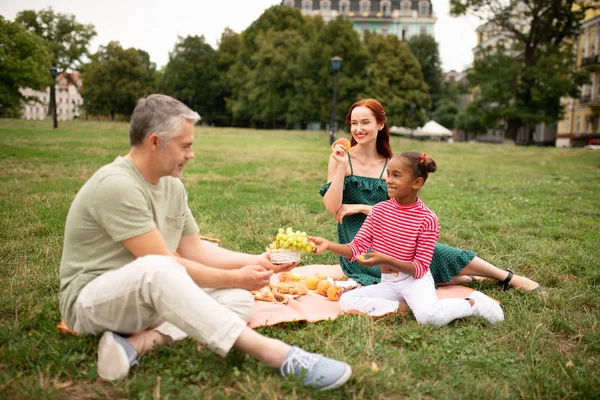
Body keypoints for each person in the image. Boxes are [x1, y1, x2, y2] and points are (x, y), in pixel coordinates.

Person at [59, 94, 352, 390]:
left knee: (238, 299)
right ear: (155, 142)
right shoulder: (117, 185)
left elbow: (195, 250)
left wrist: (256, 262)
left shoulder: (172, 186)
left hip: (145, 299)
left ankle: (137, 345)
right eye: (185, 145)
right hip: (93, 302)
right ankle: (278, 355)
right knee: (163, 269)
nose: (192, 154)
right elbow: (164, 263)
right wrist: (234, 277)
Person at [320, 98, 544, 293]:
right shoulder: (342, 159)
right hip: (359, 242)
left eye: (365, 122)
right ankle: (474, 278)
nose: (358, 129)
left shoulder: (392, 163)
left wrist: (361, 206)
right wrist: (340, 167)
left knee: (428, 254)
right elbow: (332, 207)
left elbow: (402, 209)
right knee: (398, 266)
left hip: (394, 230)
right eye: (354, 123)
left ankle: (507, 277)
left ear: (380, 123)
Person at [310, 152, 504, 324]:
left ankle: (473, 304)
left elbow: (419, 268)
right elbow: (355, 248)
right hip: (389, 283)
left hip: (415, 281)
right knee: (347, 301)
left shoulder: (427, 218)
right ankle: (405, 309)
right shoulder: (379, 210)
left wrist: (385, 259)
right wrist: (328, 245)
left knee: (429, 319)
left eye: (396, 175)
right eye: (388, 174)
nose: (388, 180)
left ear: (416, 182)